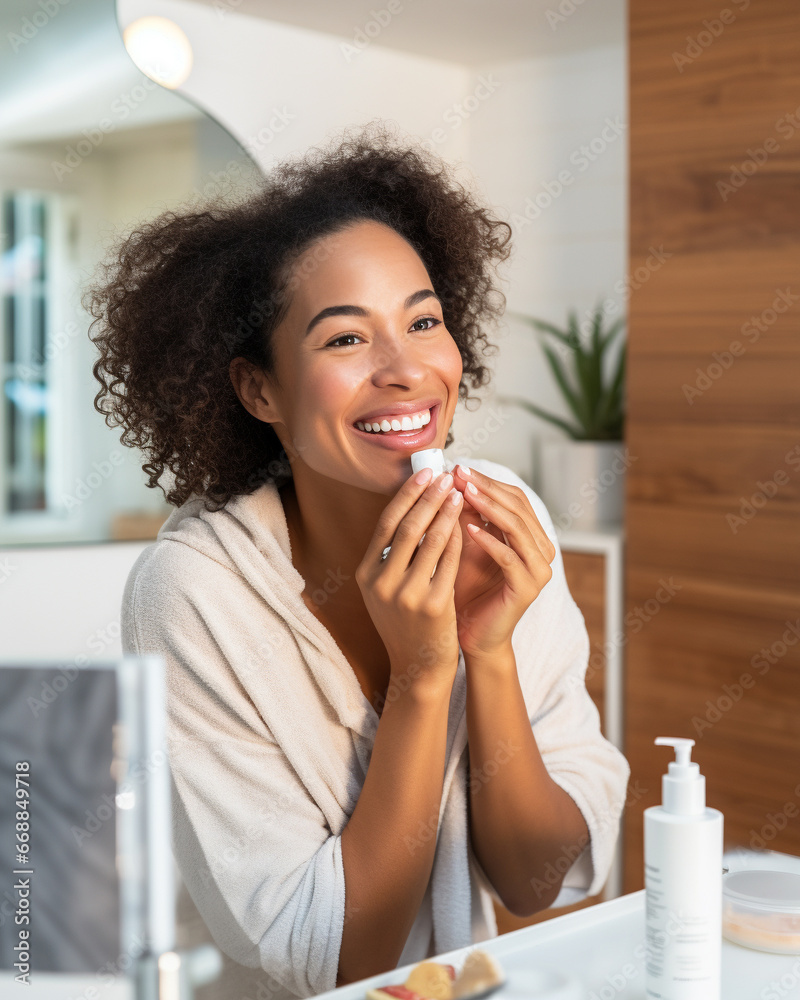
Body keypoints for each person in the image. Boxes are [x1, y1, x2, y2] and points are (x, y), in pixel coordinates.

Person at [86, 119, 630, 1000]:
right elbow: (348, 962)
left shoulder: (502, 520)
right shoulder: (196, 594)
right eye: (345, 339)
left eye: (424, 321)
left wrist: (486, 654)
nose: (407, 370)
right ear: (258, 389)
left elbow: (538, 881)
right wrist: (424, 673)